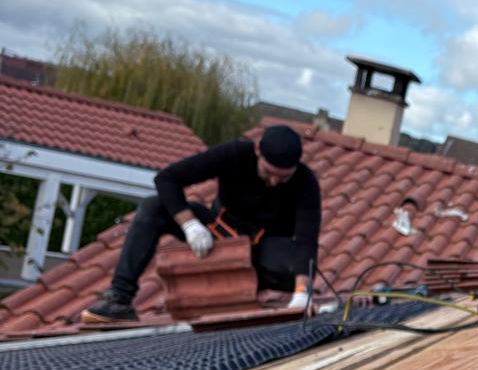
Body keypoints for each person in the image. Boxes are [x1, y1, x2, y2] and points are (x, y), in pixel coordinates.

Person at [82, 125, 322, 323]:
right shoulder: (235, 154)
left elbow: (306, 240)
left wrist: (302, 294)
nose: (274, 182)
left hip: (263, 254)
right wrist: (190, 225)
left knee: (295, 259)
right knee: (153, 207)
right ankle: (119, 299)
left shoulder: (305, 183)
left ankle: (266, 292)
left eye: (283, 177)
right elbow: (167, 179)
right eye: (269, 173)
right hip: (219, 235)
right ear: (258, 151)